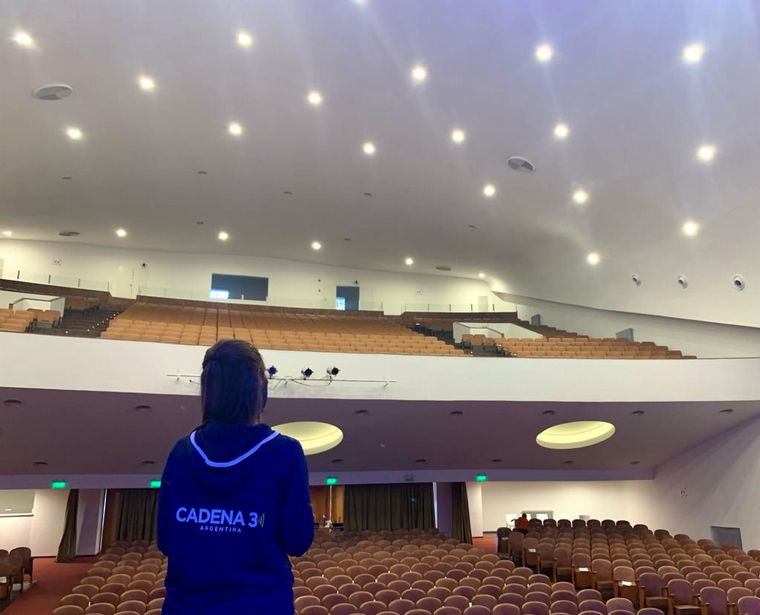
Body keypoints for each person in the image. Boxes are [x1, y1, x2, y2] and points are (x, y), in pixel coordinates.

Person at [158, 340, 314, 614]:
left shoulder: (181, 451)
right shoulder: (285, 452)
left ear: (208, 389)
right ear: (259, 389)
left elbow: (167, 541)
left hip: (188, 606)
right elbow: (298, 541)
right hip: (261, 605)